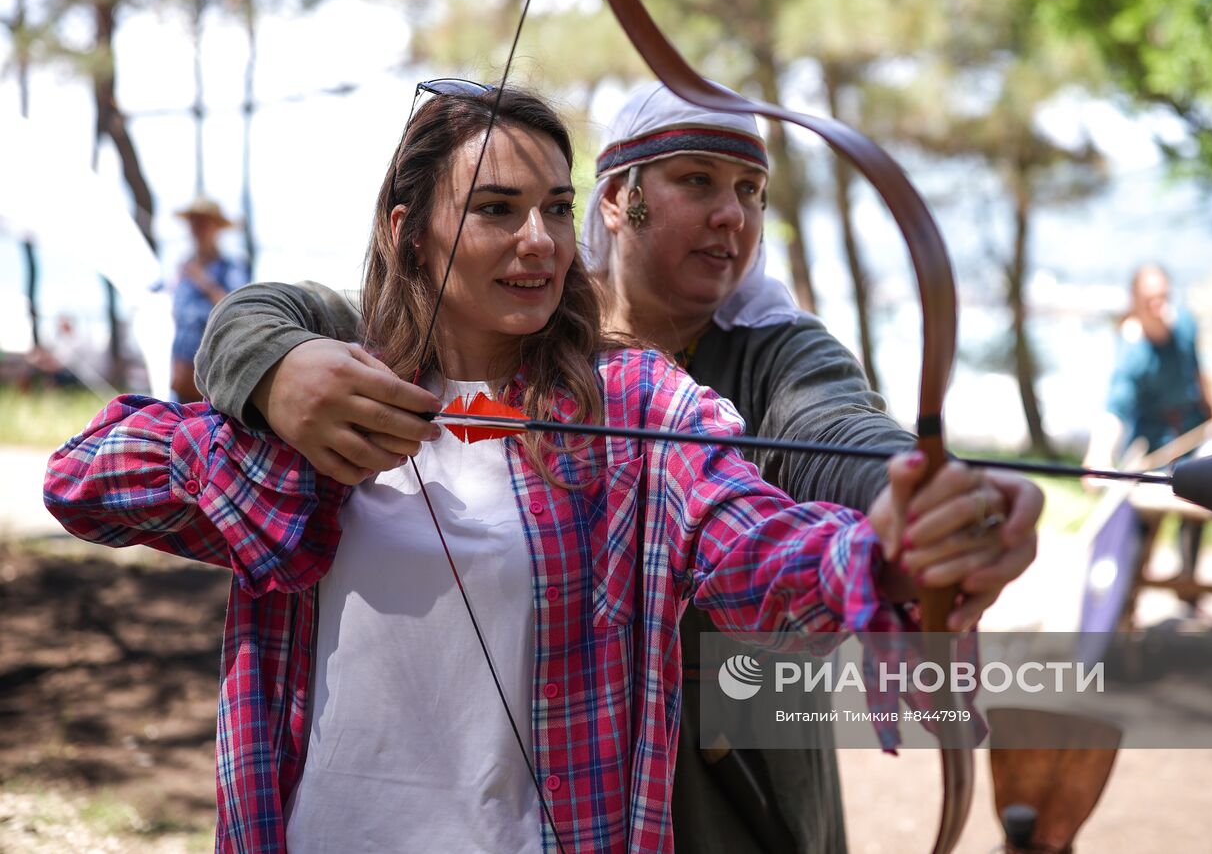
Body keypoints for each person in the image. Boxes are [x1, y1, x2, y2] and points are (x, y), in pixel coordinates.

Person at [46, 82, 1025, 854]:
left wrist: (895, 544)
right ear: (406, 230)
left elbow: (766, 532)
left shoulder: (643, 408)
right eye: (496, 209)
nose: (537, 241)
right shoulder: (333, 402)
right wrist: (273, 399)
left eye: (551, 209)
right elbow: (86, 475)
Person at [1083, 263, 1212, 600]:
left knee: (1204, 499)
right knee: (1146, 518)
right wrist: (1097, 455)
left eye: (1163, 297)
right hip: (1154, 440)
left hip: (1193, 431)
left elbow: (1200, 374)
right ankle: (1128, 597)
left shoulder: (1184, 324)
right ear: (1135, 301)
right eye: (1149, 300)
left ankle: (1187, 582)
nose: (1159, 306)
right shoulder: (1133, 352)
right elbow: (1116, 408)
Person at [170, 197, 248, 402]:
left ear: (216, 229)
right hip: (182, 365)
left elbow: (236, 308)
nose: (198, 230)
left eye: (204, 223)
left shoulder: (231, 267)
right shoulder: (181, 269)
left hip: (215, 364)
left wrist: (203, 281)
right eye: (194, 223)